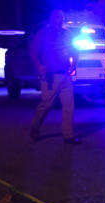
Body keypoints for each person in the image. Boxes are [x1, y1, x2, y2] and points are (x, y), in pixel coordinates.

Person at [30, 9, 80, 144]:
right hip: (50, 75)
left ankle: (68, 135)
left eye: (62, 17)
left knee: (69, 105)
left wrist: (74, 65)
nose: (61, 19)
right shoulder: (43, 33)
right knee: (46, 105)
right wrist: (39, 66)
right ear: (51, 18)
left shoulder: (67, 33)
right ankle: (35, 129)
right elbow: (33, 51)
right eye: (58, 17)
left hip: (65, 74)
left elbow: (75, 50)